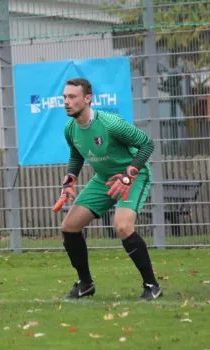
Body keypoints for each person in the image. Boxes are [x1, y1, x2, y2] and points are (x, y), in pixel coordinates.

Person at [52, 78, 163, 301]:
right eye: (64, 97)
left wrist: (128, 175)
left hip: (133, 175)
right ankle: (85, 284)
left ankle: (152, 285)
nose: (66, 102)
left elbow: (147, 144)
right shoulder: (70, 128)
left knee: (122, 226)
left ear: (87, 99)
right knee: (70, 226)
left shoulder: (111, 124)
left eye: (72, 97)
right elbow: (76, 155)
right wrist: (69, 182)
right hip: (103, 178)